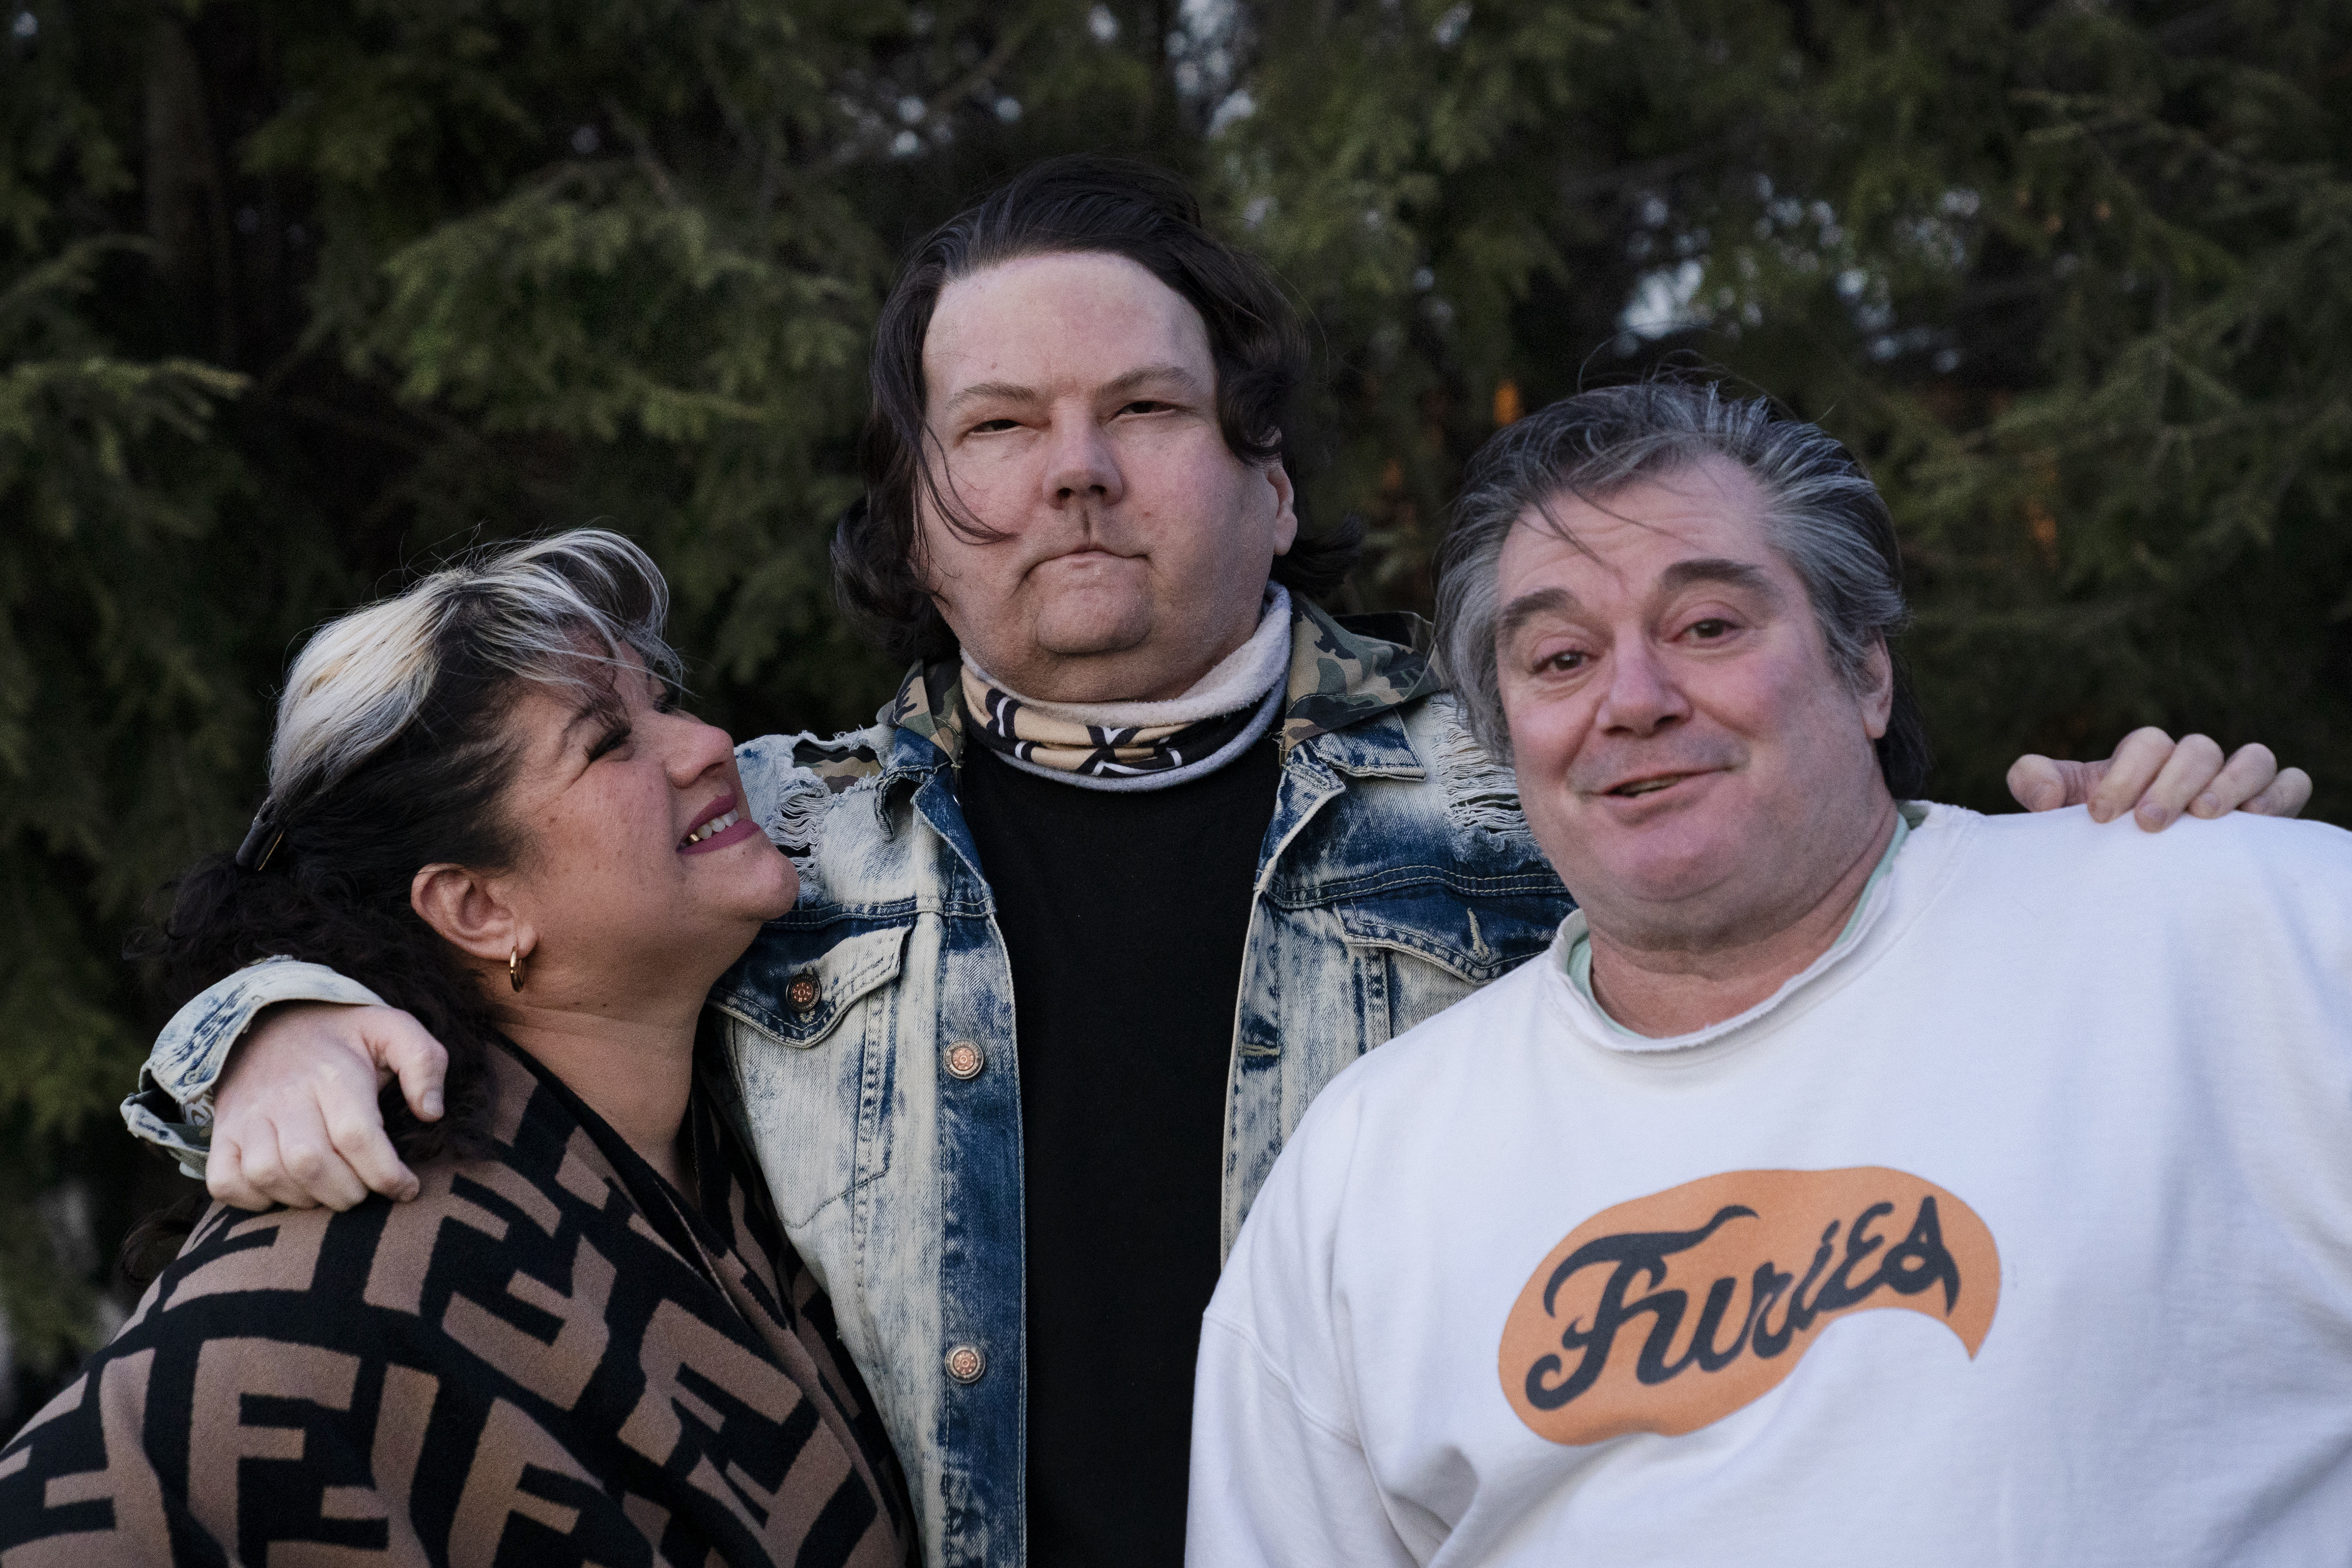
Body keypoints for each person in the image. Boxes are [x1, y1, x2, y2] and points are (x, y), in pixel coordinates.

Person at [119, 161, 2304, 1568]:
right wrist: (271, 1024)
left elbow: (1854, 886)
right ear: (917, 521)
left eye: (1145, 413)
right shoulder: (770, 834)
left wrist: (2150, 843)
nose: (1074, 473)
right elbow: (428, 886)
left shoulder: (1539, 759)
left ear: (1269, 480)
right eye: (996, 429)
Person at [1185, 380, 2352, 1565]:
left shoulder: (2224, 933)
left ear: (1866, 672)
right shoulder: (1368, 1169)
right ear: (1505, 742)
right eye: (1562, 657)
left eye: (1708, 628)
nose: (1633, 702)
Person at [4, 533, 913, 1566]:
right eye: (608, 744)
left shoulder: (770, 1094)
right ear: (479, 908)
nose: (707, 743)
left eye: (663, 702)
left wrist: (259, 1012)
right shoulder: (347, 1264)